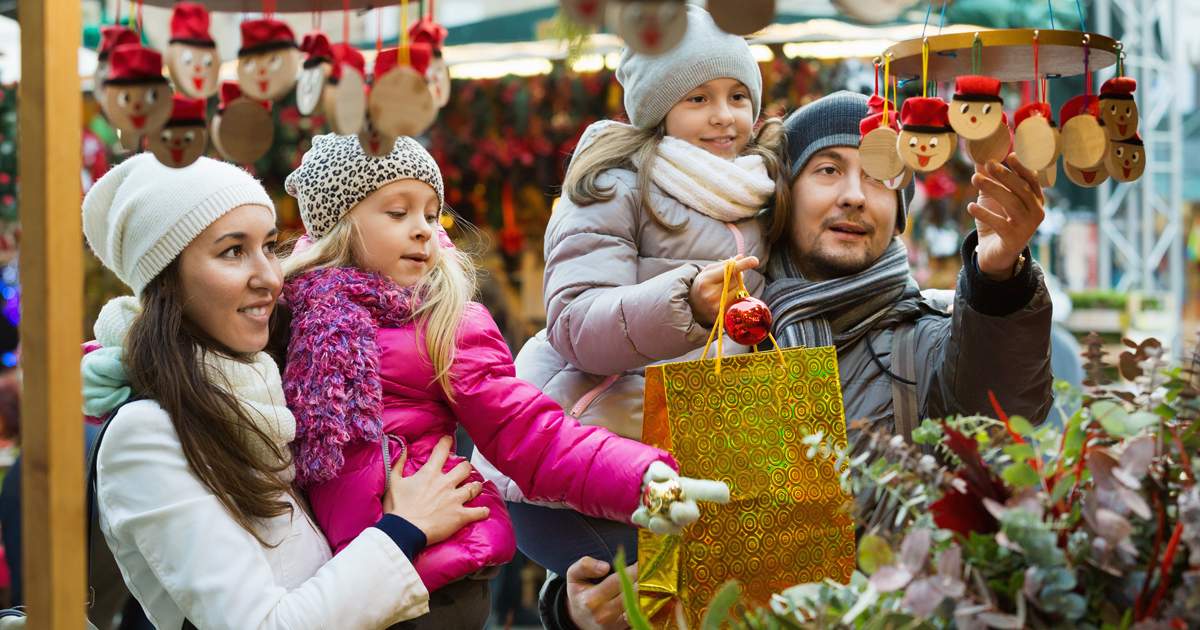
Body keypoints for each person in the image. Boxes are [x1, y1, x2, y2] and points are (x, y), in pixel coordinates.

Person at [278, 135, 728, 630]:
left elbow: (528, 433)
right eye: (397, 213)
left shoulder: (442, 324)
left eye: (431, 214)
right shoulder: (291, 318)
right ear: (338, 227)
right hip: (335, 577)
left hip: (431, 582)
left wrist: (642, 481)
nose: (424, 231)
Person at [475, 8, 790, 628]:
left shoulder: (762, 191)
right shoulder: (614, 184)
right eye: (698, 97)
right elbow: (574, 321)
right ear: (658, 106)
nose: (723, 115)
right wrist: (684, 302)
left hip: (689, 449)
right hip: (583, 455)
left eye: (735, 96)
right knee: (653, 602)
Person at [81, 154, 487, 630]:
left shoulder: (273, 392)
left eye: (270, 246)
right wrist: (403, 530)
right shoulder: (146, 432)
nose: (271, 277)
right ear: (165, 280)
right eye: (233, 251)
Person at [762, 91, 1053, 436]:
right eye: (828, 169)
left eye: (877, 176)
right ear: (784, 196)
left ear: (899, 216)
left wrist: (997, 281)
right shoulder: (729, 329)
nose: (854, 196)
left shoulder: (926, 342)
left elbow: (1003, 413)